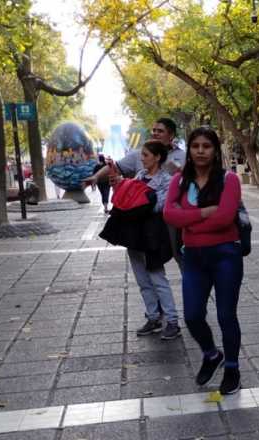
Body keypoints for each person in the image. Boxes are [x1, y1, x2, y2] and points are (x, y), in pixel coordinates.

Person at [164, 127, 245, 395]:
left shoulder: (229, 179)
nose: (200, 151)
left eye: (206, 146)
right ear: (190, 150)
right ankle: (211, 354)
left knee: (225, 315)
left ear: (215, 150)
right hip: (194, 258)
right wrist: (203, 213)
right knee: (193, 315)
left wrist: (188, 218)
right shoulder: (179, 181)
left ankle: (232, 367)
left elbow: (224, 218)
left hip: (226, 255)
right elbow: (168, 215)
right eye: (196, 146)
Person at [120, 141, 181, 340]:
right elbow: (130, 199)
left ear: (157, 157)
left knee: (157, 278)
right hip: (134, 235)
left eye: (145, 155)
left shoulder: (167, 180)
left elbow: (160, 206)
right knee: (142, 280)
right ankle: (153, 317)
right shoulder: (139, 176)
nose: (142, 158)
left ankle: (172, 321)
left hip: (153, 236)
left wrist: (139, 201)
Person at [83, 118, 185, 185]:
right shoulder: (138, 154)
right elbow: (116, 167)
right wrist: (96, 177)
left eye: (160, 131)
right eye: (154, 130)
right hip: (142, 210)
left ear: (171, 135)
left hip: (169, 210)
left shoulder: (183, 156)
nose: (155, 134)